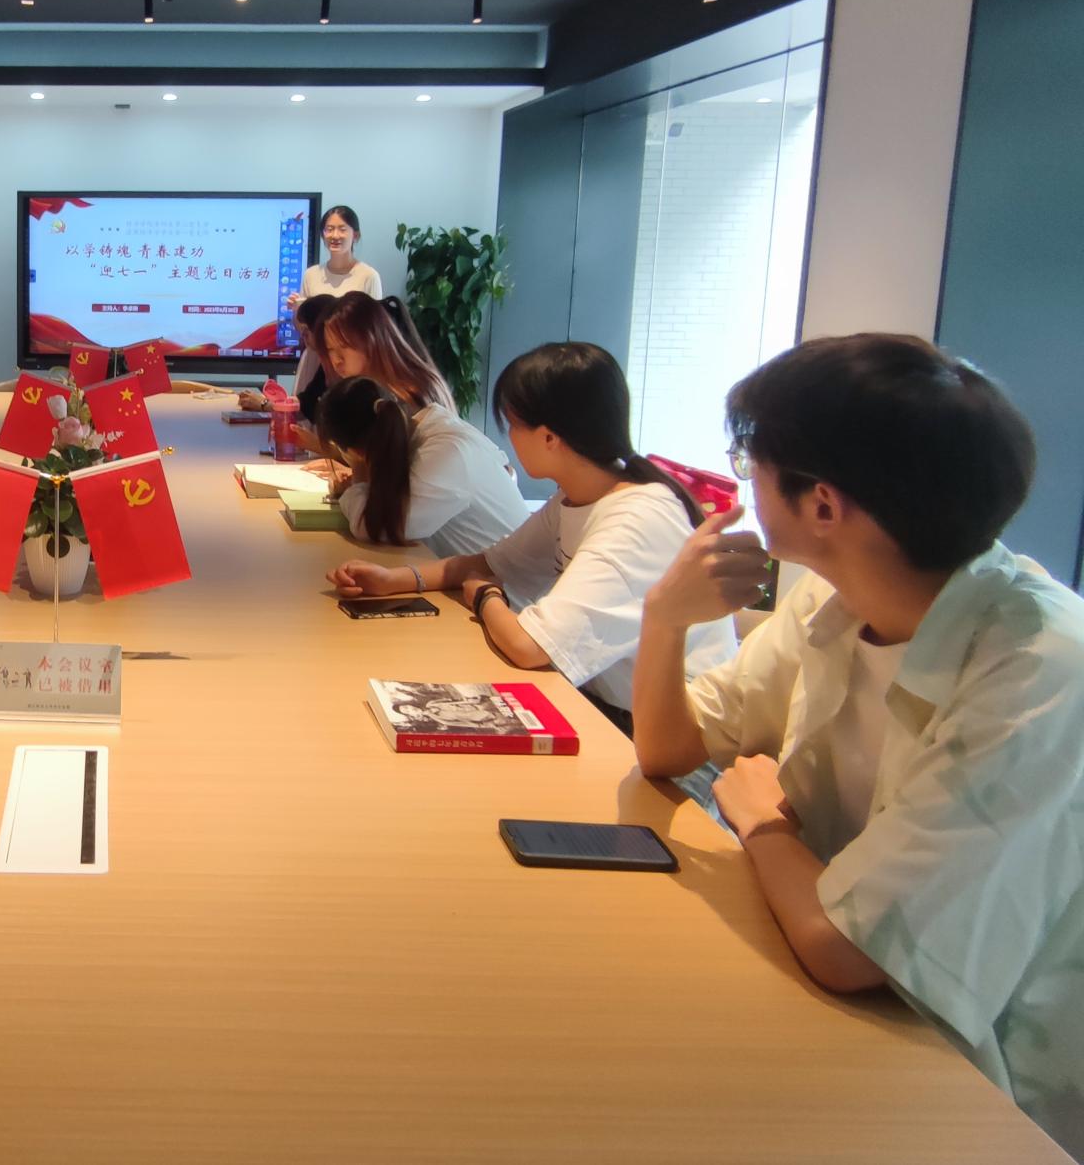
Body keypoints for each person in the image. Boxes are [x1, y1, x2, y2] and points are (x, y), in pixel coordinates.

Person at [629, 334, 1082, 1156]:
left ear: (824, 507)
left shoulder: (1042, 667)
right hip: (837, 1006)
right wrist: (665, 618)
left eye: (751, 461)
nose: (742, 480)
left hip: (981, 1088)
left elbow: (849, 950)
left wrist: (764, 825)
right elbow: (667, 749)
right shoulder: (835, 599)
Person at [330, 341, 736, 723]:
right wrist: (392, 580)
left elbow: (529, 646)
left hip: (670, 731)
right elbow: (489, 562)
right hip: (613, 701)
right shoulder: (576, 498)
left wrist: (485, 596)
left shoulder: (633, 520)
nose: (508, 437)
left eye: (512, 424)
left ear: (549, 437)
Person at [316, 375, 530, 555]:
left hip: (510, 588)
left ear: (353, 451)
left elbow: (380, 529)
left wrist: (357, 480)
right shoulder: (424, 431)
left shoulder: (445, 453)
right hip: (483, 576)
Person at [286, 207, 383, 401]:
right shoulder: (311, 274)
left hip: (349, 362)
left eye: (342, 229)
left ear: (355, 235)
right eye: (329, 229)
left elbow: (374, 328)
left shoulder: (368, 276)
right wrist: (297, 311)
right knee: (306, 410)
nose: (335, 235)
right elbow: (302, 328)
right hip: (315, 359)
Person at [320, 292, 458, 414]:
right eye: (330, 349)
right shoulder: (372, 390)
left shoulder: (408, 396)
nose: (336, 360)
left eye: (344, 346)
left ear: (371, 339)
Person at [236, 293, 337, 422]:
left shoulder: (339, 367)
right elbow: (305, 405)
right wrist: (266, 404)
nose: (303, 338)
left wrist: (264, 404)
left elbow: (308, 408)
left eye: (304, 332)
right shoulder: (324, 365)